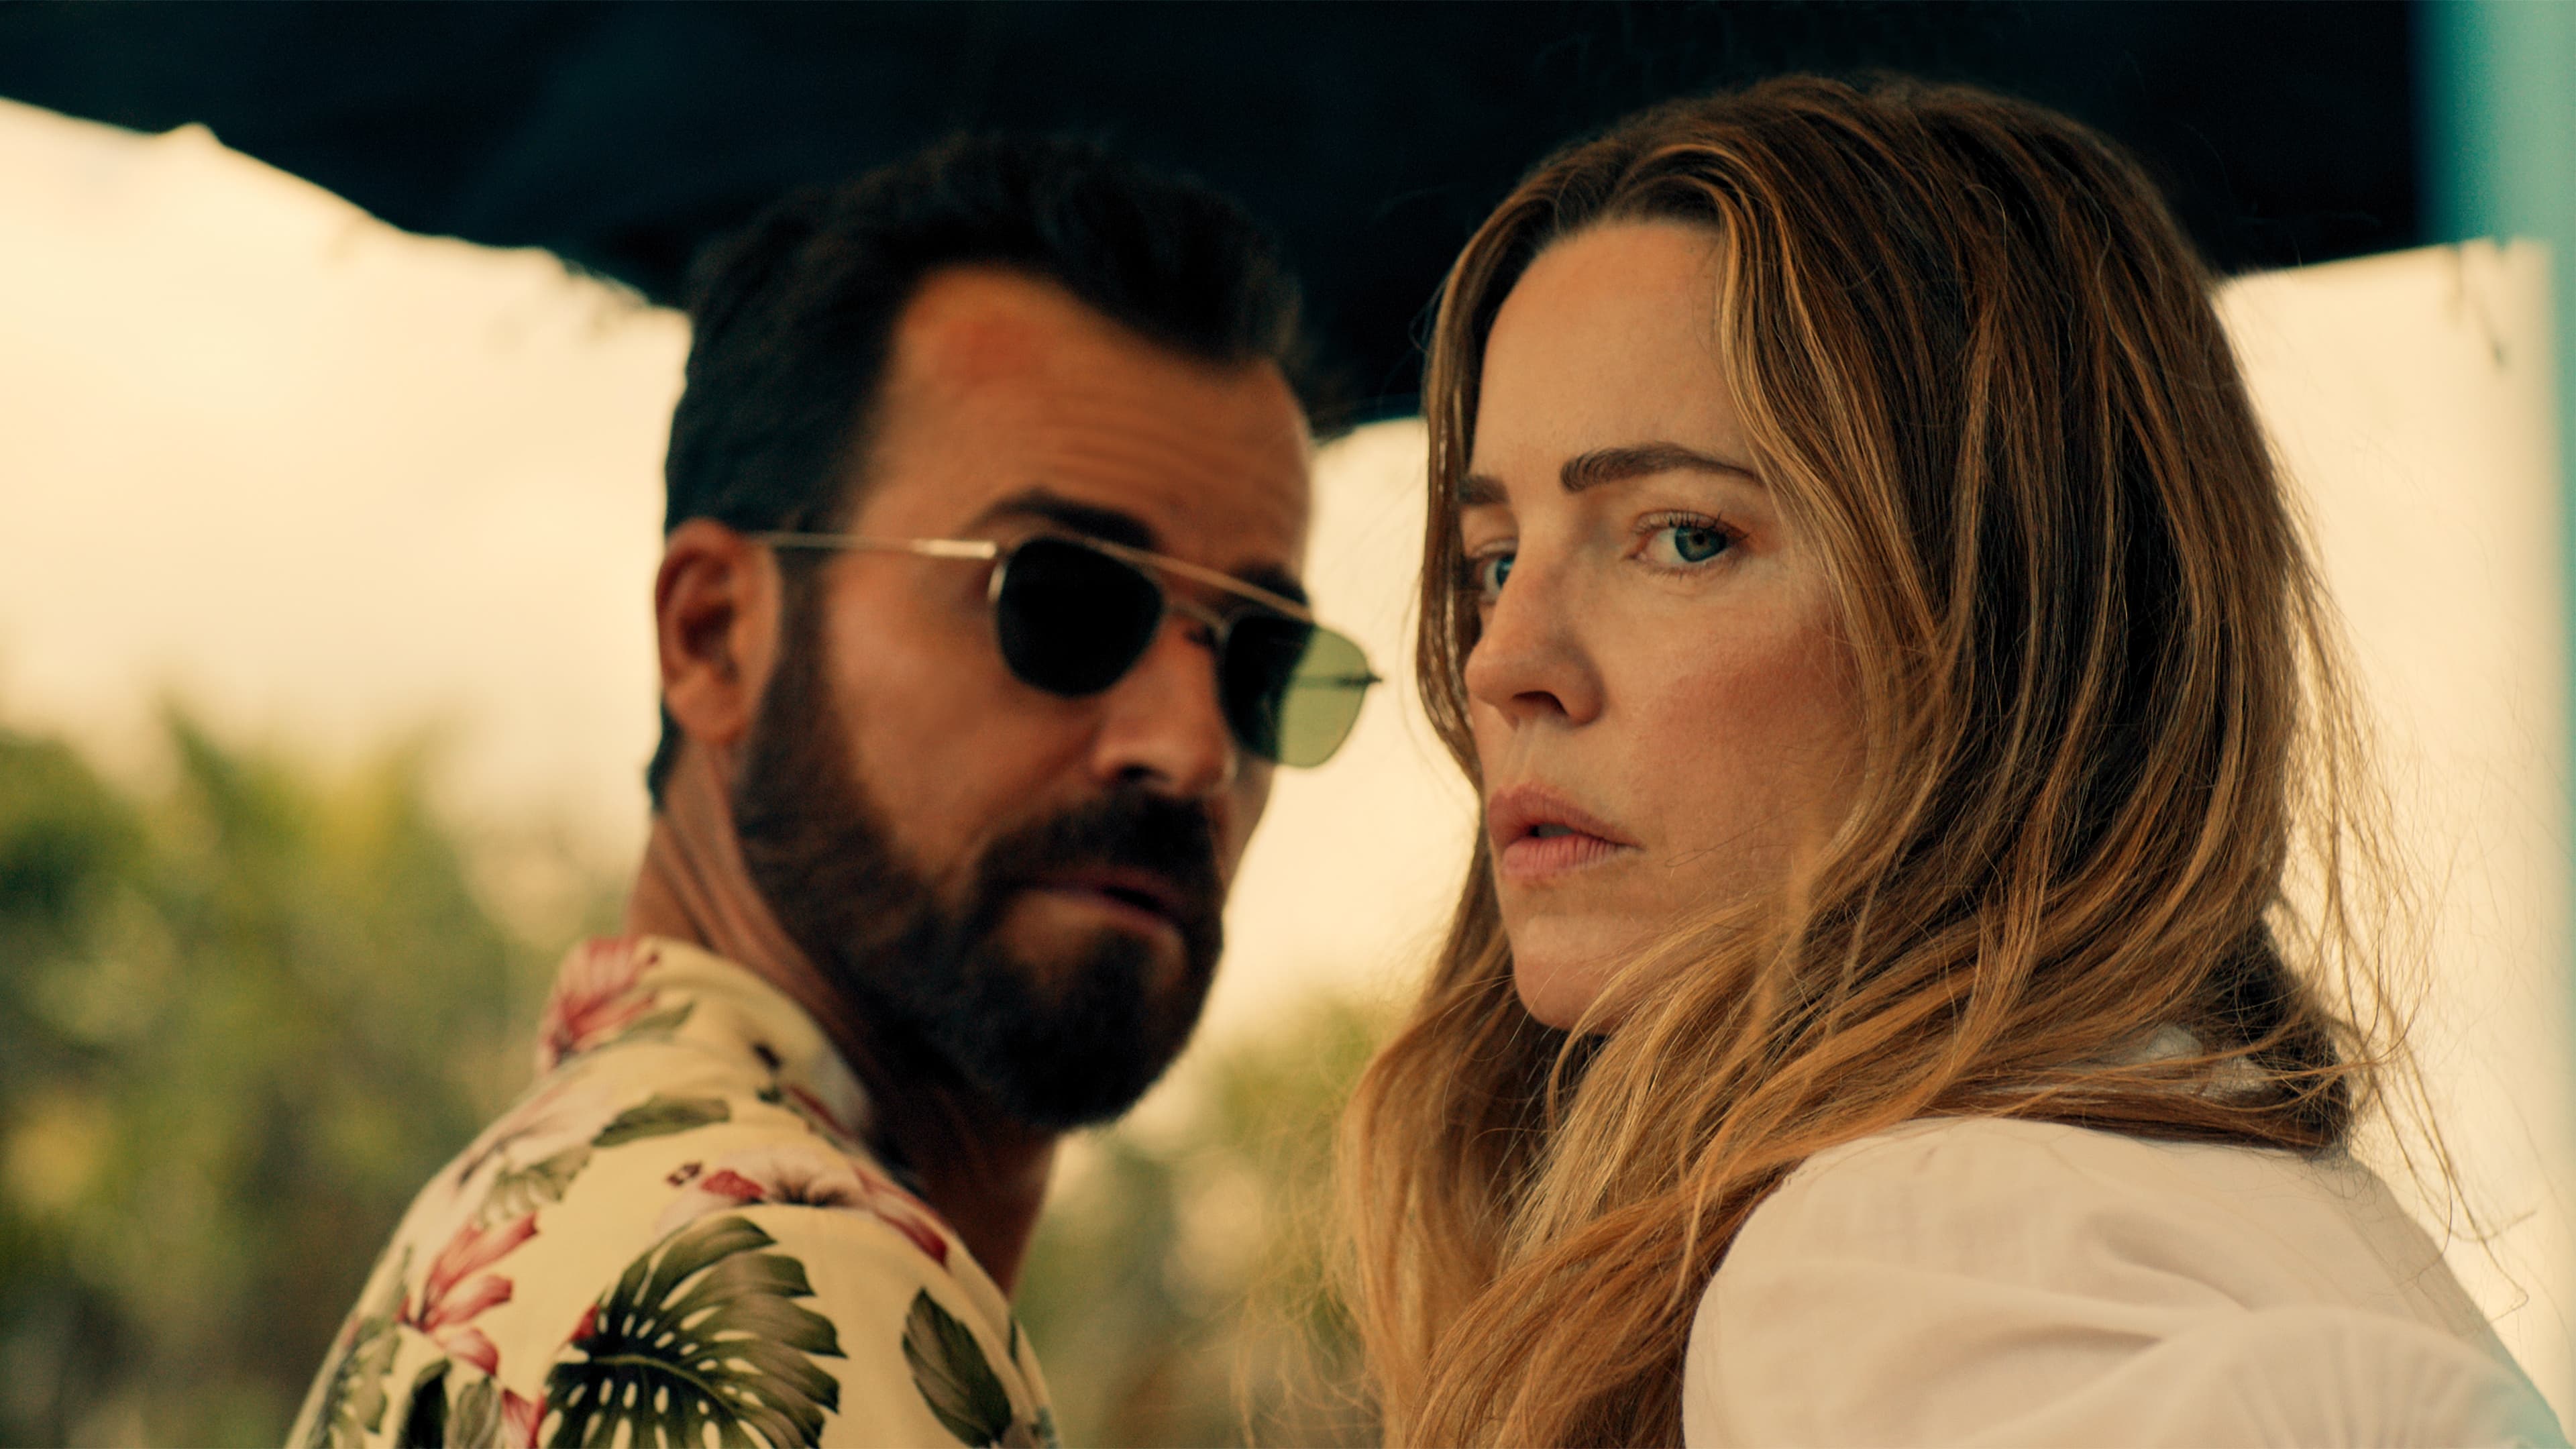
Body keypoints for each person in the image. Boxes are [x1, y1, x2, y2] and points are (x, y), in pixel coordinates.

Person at [1339, 77, 2567, 1446]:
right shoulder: (2185, 1200)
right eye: (1492, 560)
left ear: (2015, 633)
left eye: (1684, 537)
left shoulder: (1898, 1258)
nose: (1501, 660)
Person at [290, 133, 1375, 1448]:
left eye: (1265, 663)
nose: (1193, 748)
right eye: (1061, 603)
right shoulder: (782, 1284)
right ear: (715, 637)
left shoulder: (532, 1218)